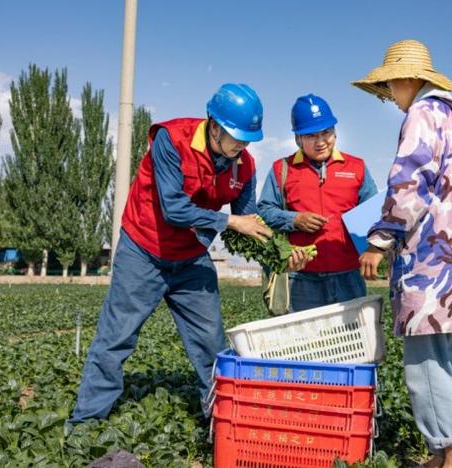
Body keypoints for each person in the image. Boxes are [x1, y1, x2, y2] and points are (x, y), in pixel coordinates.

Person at [68, 83, 309, 428]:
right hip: (144, 249)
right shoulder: (172, 140)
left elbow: (249, 223)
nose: (242, 146)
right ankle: (85, 423)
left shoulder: (245, 165)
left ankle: (221, 422)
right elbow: (175, 210)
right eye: (236, 137)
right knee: (116, 337)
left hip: (191, 257)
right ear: (214, 126)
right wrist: (228, 221)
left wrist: (280, 252)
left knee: (211, 343)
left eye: (247, 139)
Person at [353, 40, 452, 468]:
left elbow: (410, 182)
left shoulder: (422, 114)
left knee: (424, 362)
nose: (391, 95)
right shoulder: (448, 117)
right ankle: (441, 453)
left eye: (391, 85)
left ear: (406, 79)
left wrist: (380, 238)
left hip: (432, 256)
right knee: (438, 357)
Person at [257, 94, 378, 311]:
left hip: (348, 276)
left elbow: (374, 214)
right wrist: (295, 220)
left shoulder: (356, 167)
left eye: (326, 133)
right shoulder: (281, 169)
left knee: (353, 341)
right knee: (305, 343)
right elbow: (263, 211)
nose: (321, 142)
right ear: (298, 139)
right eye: (311, 135)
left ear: (335, 131)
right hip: (301, 279)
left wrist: (374, 248)